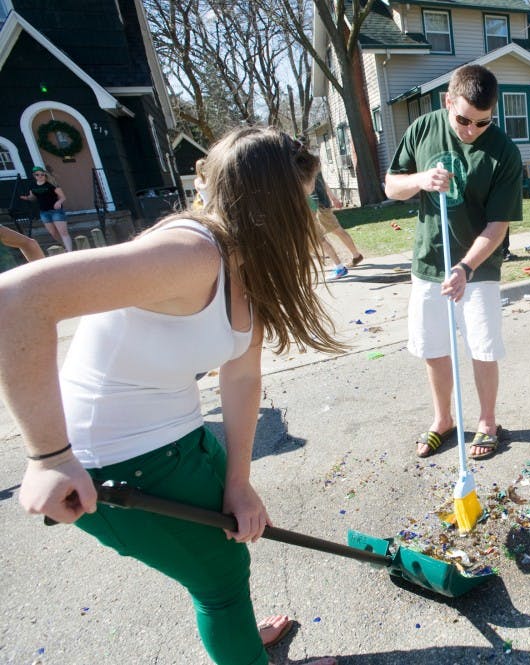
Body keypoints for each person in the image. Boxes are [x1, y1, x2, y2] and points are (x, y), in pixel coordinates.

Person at [0, 127, 340, 665]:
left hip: (179, 440)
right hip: (115, 463)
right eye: (303, 201)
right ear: (273, 204)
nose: (309, 214)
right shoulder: (190, 253)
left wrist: (239, 482)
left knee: (223, 569)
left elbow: (242, 377)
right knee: (221, 582)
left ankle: (240, 640)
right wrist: (48, 457)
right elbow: (18, 299)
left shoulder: (243, 263)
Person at [384, 64, 522, 461]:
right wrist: (421, 180)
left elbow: (498, 225)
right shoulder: (423, 129)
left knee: (482, 348)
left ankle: (487, 422)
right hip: (428, 261)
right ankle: (442, 420)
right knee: (433, 347)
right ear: (448, 101)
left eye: (482, 122)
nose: (471, 131)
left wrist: (466, 267)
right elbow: (392, 185)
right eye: (463, 120)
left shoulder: (503, 152)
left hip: (478, 268)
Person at [310, 171, 363, 279]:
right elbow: (322, 181)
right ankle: (352, 257)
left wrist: (333, 198)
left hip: (319, 205)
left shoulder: (304, 163)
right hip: (319, 204)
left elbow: (321, 182)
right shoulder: (309, 162)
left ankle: (351, 259)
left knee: (334, 232)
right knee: (329, 234)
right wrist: (333, 198)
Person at [20, 166, 71, 252]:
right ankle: (64, 246)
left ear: (45, 175)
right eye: (37, 175)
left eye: (42, 174)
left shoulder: (52, 184)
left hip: (56, 211)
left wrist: (58, 202)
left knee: (63, 232)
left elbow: (63, 197)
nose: (40, 176)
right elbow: (33, 197)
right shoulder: (33, 186)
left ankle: (70, 251)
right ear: (34, 175)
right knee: (53, 233)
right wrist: (27, 198)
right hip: (44, 212)